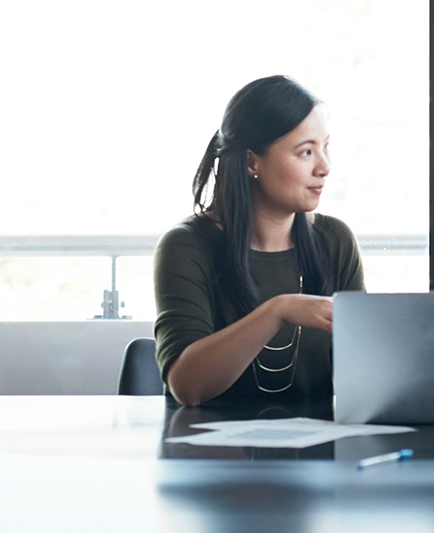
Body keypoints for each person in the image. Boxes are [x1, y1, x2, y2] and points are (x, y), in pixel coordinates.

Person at [154, 75, 365, 407]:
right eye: (306, 152)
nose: (324, 167)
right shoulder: (186, 247)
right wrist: (279, 310)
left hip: (316, 452)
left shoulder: (334, 241)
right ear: (252, 161)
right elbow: (187, 386)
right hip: (208, 453)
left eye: (325, 148)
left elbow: (365, 372)